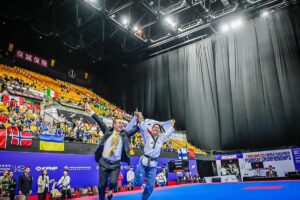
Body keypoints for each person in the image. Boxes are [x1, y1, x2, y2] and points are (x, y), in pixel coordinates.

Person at [85, 103, 140, 200]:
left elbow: (135, 129)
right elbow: (99, 121)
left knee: (113, 183)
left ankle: (110, 191)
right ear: (114, 124)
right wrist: (90, 110)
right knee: (101, 185)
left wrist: (139, 120)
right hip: (104, 162)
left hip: (115, 165)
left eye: (123, 124)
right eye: (119, 123)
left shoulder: (125, 134)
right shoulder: (107, 131)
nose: (122, 125)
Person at [134, 113, 175, 200]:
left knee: (151, 186)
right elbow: (143, 127)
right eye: (154, 127)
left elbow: (168, 134)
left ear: (159, 131)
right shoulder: (147, 136)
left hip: (153, 165)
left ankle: (144, 199)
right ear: (152, 129)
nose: (156, 128)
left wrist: (171, 125)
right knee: (138, 182)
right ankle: (134, 182)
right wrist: (139, 117)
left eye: (158, 128)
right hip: (143, 162)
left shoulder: (161, 139)